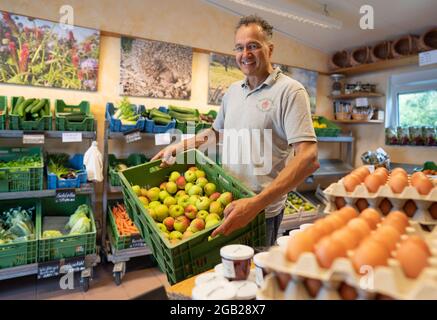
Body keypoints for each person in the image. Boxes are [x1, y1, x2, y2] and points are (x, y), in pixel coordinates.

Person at [152, 15, 319, 246]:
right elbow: (217, 132)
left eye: (253, 46)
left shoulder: (290, 92)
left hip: (261, 213)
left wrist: (256, 204)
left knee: (253, 278)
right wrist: (181, 145)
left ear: (269, 49)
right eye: (239, 48)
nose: (245, 54)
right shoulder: (232, 91)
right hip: (224, 200)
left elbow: (308, 158)